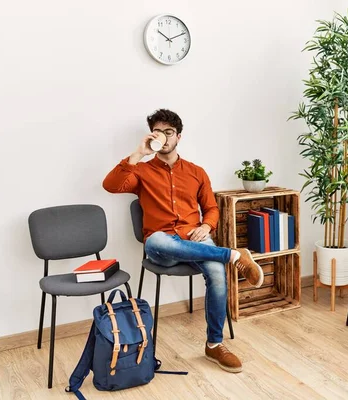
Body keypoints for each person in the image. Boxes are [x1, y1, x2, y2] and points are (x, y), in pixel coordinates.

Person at [103, 109, 264, 373]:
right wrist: (137, 153)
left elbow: (211, 208)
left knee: (216, 274)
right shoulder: (141, 171)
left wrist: (205, 225)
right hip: (163, 245)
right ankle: (233, 255)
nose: (164, 138)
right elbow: (111, 185)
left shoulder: (196, 172)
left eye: (169, 132)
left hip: (195, 239)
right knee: (154, 240)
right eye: (158, 132)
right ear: (151, 136)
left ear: (179, 136)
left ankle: (214, 345)